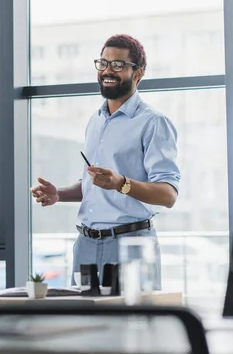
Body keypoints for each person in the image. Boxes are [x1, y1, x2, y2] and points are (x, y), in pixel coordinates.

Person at [31, 34, 180, 289]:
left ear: (138, 74)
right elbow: (97, 185)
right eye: (103, 63)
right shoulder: (96, 121)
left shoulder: (153, 123)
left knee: (131, 326)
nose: (108, 71)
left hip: (130, 246)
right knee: (83, 326)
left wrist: (121, 183)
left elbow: (168, 195)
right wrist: (60, 194)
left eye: (118, 65)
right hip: (85, 247)